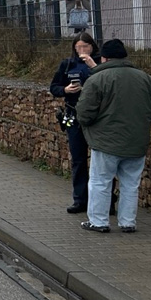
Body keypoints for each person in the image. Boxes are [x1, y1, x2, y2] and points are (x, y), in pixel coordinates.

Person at [75, 38, 151, 233]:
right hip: (137, 141)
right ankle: (128, 222)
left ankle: (99, 222)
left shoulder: (96, 80)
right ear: (125, 56)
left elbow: (84, 113)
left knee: (100, 181)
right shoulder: (147, 79)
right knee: (131, 184)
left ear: (103, 58)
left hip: (106, 142)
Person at [49, 33, 99, 214]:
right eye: (78, 47)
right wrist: (65, 89)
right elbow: (53, 87)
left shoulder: (99, 62)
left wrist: (93, 66)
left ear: (92, 47)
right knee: (78, 159)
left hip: (96, 118)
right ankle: (80, 199)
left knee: (101, 161)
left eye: (85, 46)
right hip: (72, 113)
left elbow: (107, 81)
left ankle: (105, 201)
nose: (82, 51)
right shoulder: (67, 64)